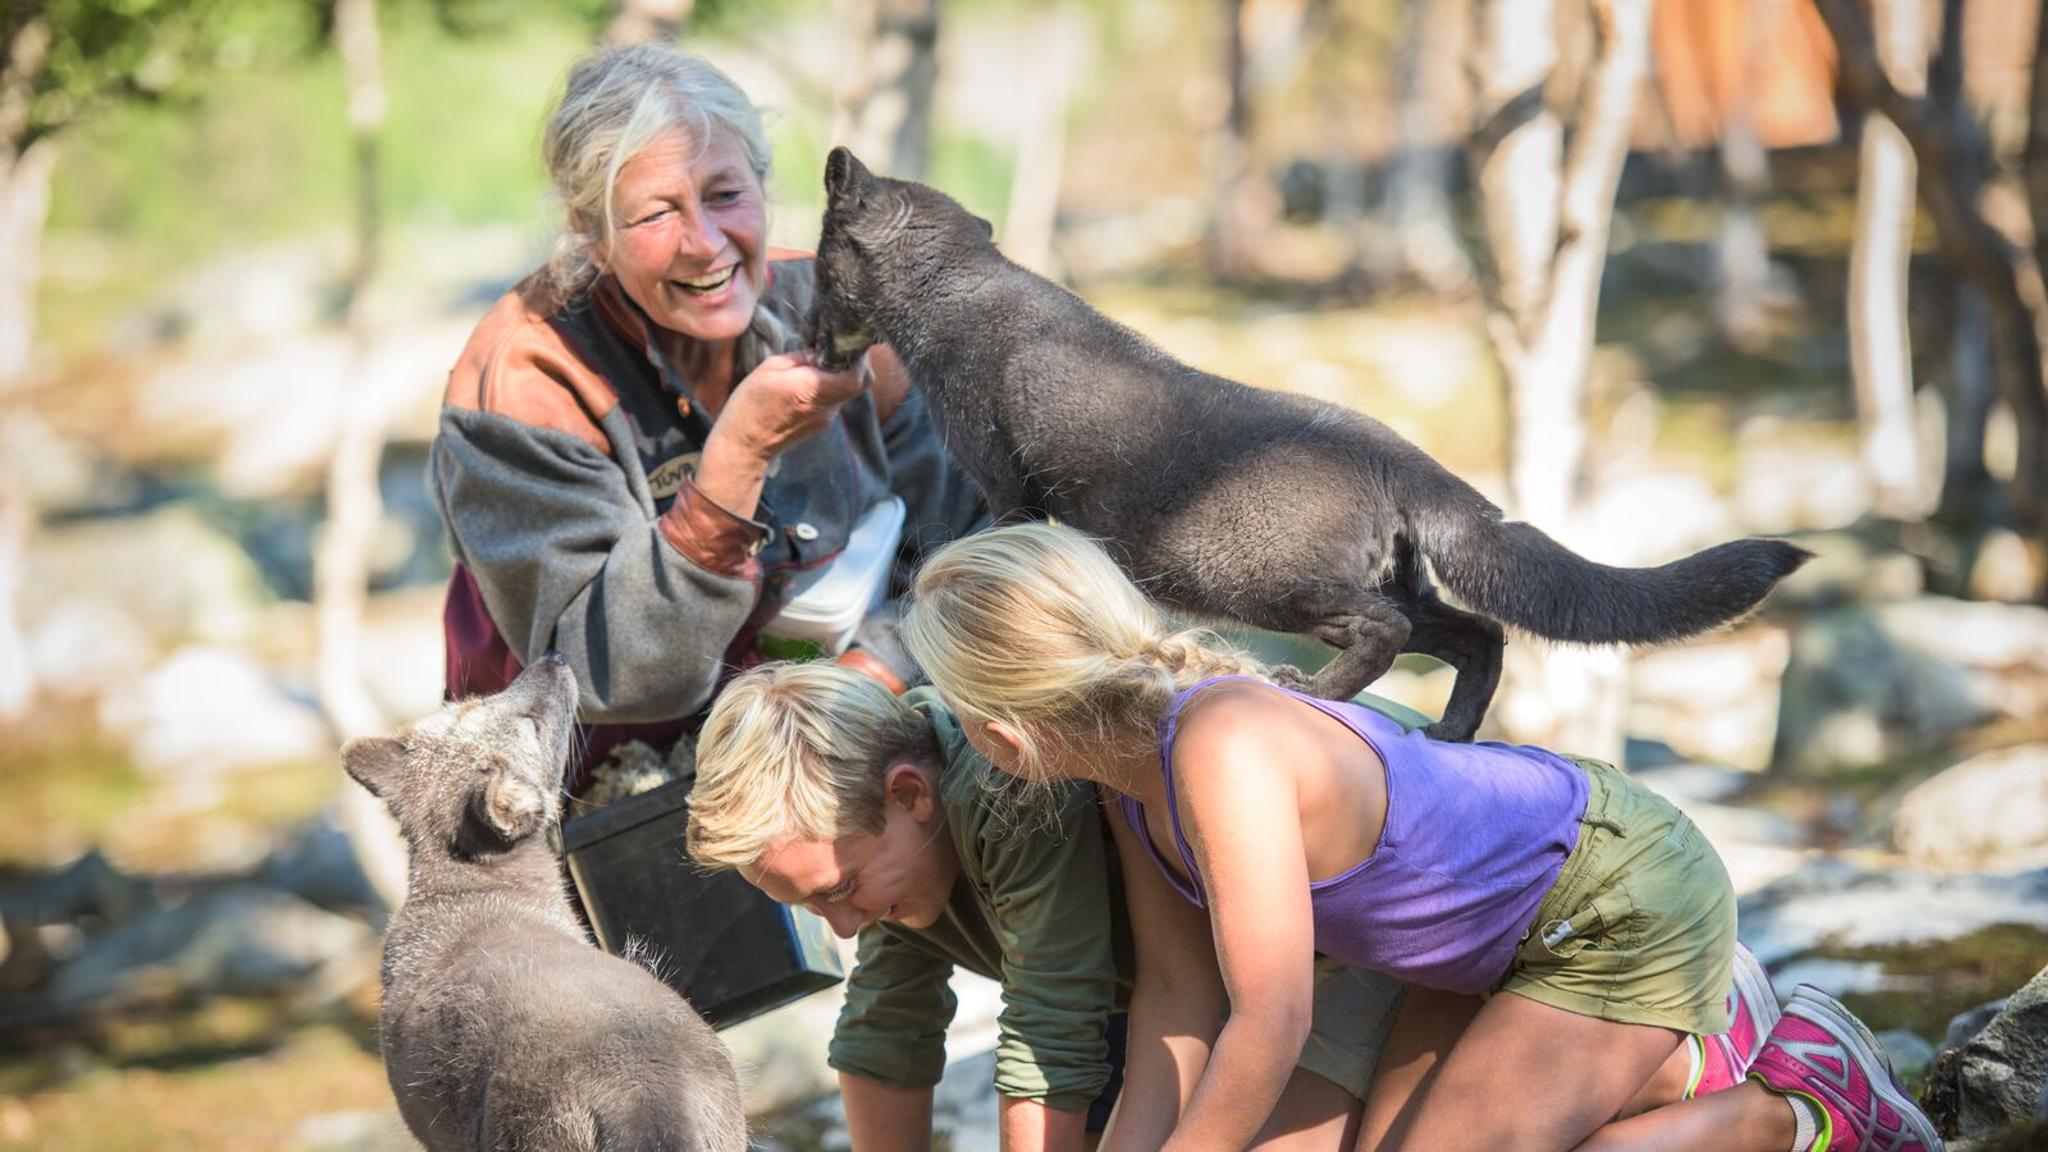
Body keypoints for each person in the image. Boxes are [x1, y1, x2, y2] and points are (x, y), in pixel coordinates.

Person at [895, 522, 1945, 1152]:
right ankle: (1663, 1068)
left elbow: (1268, 1018)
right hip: (1471, 950)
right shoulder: (1128, 785)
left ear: (1004, 733)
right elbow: (1180, 1005)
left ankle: (1792, 1107)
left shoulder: (1218, 744)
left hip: (1608, 895)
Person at [430, 43, 982, 782]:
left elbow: (963, 549)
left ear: (761, 185)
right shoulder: (528, 379)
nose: (705, 244)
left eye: (725, 195)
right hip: (598, 782)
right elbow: (604, 677)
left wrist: (867, 676)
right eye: (658, 212)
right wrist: (741, 457)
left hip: (836, 724)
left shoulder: (837, 309)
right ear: (590, 230)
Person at [685, 660, 1418, 1152]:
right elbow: (886, 1026)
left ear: (908, 792)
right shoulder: (898, 850)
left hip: (1357, 926)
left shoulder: (1007, 789)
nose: (843, 926)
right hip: (1192, 1001)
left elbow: (1051, 1024)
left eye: (838, 892)